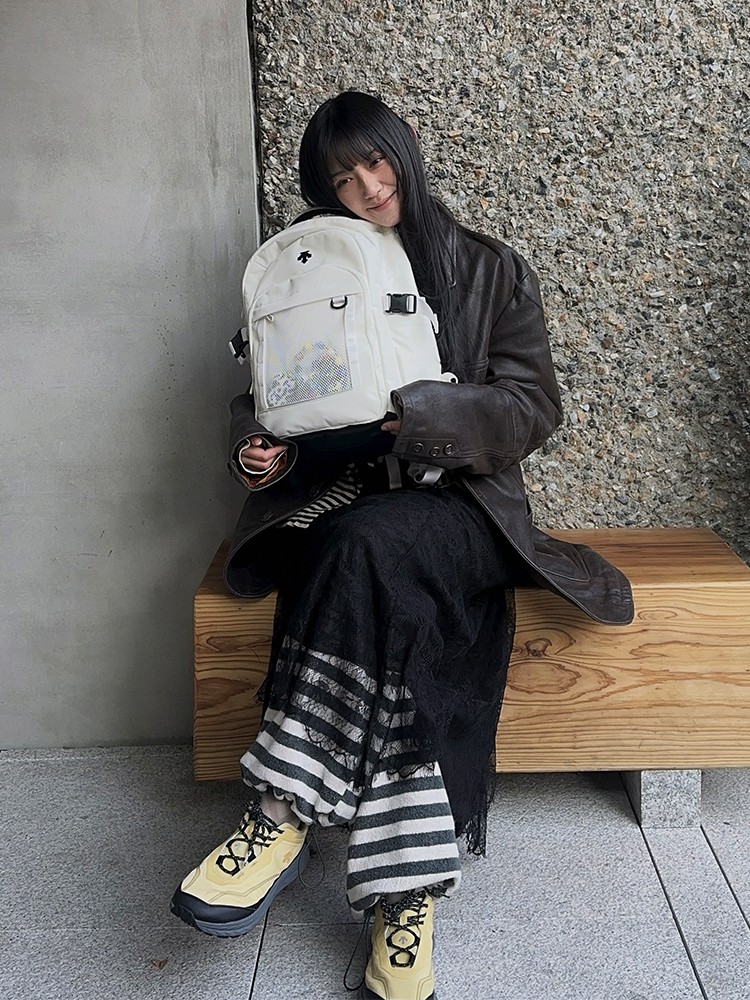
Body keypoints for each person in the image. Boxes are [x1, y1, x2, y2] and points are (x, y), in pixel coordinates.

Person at [170, 91, 634, 999]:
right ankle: (404, 893)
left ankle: (281, 812)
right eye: (343, 179)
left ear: (404, 154)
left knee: (362, 549)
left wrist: (418, 415)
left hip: (463, 507)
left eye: (375, 163)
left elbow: (534, 408)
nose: (367, 187)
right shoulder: (309, 260)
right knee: (386, 584)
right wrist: (258, 447)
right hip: (344, 503)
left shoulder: (488, 268)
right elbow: (266, 385)